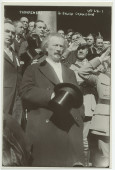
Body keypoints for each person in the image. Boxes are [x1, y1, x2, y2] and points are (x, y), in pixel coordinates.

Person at [20, 33, 85, 167]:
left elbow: (77, 96)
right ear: (46, 48)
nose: (59, 49)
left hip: (70, 125)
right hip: (46, 124)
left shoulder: (70, 72)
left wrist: (80, 115)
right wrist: (51, 95)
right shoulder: (34, 68)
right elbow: (25, 91)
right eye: (55, 45)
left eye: (61, 46)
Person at [78, 47, 111, 167]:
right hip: (104, 122)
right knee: (105, 157)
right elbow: (82, 72)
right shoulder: (99, 77)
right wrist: (100, 59)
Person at [69, 43, 96, 166]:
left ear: (87, 51)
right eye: (79, 48)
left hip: (88, 102)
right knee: (74, 135)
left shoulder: (93, 65)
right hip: (74, 104)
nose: (80, 50)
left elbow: (95, 81)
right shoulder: (69, 65)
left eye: (83, 49)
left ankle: (84, 164)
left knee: (85, 137)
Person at [4, 20, 23, 124]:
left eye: (12, 33)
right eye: (7, 31)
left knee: (14, 129)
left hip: (17, 99)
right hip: (4, 98)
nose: (10, 35)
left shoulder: (15, 54)